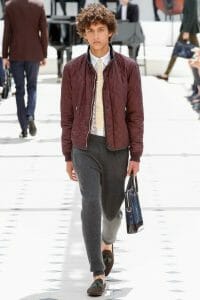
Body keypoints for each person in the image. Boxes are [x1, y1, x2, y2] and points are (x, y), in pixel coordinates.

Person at [61, 3, 144, 297]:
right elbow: (67, 116)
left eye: (101, 30)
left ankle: (107, 242)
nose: (96, 36)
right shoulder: (71, 70)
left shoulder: (128, 68)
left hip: (117, 147)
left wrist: (136, 155)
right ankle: (97, 272)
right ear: (83, 34)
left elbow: (135, 113)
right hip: (84, 147)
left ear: (110, 32)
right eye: (90, 31)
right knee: (90, 204)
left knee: (112, 211)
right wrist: (68, 155)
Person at [2, 0, 48, 138]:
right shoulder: (39, 5)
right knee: (32, 87)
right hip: (34, 53)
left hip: (16, 53)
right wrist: (44, 54)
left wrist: (5, 55)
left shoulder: (10, 6)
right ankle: (30, 115)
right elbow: (44, 33)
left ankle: (23, 128)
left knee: (20, 90)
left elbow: (7, 33)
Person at [156, 0, 200, 100]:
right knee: (187, 53)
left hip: (189, 29)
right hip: (188, 28)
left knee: (196, 56)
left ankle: (196, 85)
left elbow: (192, 14)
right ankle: (167, 74)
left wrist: (187, 31)